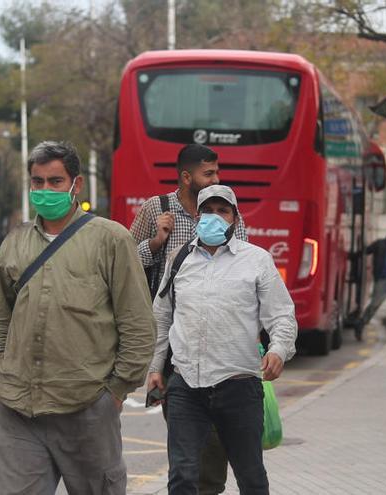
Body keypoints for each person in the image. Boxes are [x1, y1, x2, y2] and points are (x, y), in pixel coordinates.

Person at [0, 141, 156, 495]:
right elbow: (2, 315)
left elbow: (138, 324)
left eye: (55, 181)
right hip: (18, 409)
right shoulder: (15, 243)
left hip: (87, 409)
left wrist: (115, 392)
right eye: (37, 182)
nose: (45, 190)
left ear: (76, 185)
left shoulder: (111, 239)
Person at [147, 185, 297, 495]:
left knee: (252, 479)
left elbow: (281, 316)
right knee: (183, 478)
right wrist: (155, 368)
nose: (214, 217)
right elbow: (161, 316)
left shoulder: (256, 260)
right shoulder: (179, 259)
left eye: (223, 211)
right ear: (198, 216)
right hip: (186, 388)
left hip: (238, 387)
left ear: (235, 218)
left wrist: (279, 350)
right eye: (208, 211)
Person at [129, 143, 248, 495]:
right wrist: (155, 241)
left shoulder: (229, 213)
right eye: (208, 173)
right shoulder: (157, 208)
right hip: (174, 346)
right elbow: (124, 263)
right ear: (186, 177)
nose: (216, 179)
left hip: (221, 347)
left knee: (213, 450)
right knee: (184, 447)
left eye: (217, 172)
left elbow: (245, 265)